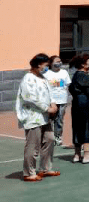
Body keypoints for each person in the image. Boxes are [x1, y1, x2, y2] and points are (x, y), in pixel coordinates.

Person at [17, 53, 59, 182]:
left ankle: (45, 168)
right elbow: (30, 98)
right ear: (38, 65)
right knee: (33, 145)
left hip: (45, 117)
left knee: (49, 139)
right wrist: (47, 108)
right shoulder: (28, 79)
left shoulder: (42, 77)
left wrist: (53, 104)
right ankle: (29, 172)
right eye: (46, 65)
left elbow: (50, 92)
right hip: (33, 117)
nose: (47, 68)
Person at [69, 54, 89, 163]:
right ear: (83, 64)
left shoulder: (76, 75)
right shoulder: (84, 76)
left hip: (77, 103)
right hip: (86, 104)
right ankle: (87, 156)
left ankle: (77, 155)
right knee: (87, 127)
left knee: (77, 127)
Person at [43, 56, 71, 148]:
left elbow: (68, 84)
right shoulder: (47, 73)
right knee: (49, 119)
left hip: (62, 100)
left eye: (60, 61)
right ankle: (48, 137)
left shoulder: (64, 72)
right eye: (57, 61)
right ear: (51, 63)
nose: (59, 63)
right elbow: (45, 85)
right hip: (51, 100)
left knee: (59, 120)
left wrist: (55, 83)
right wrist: (59, 83)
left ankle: (58, 137)